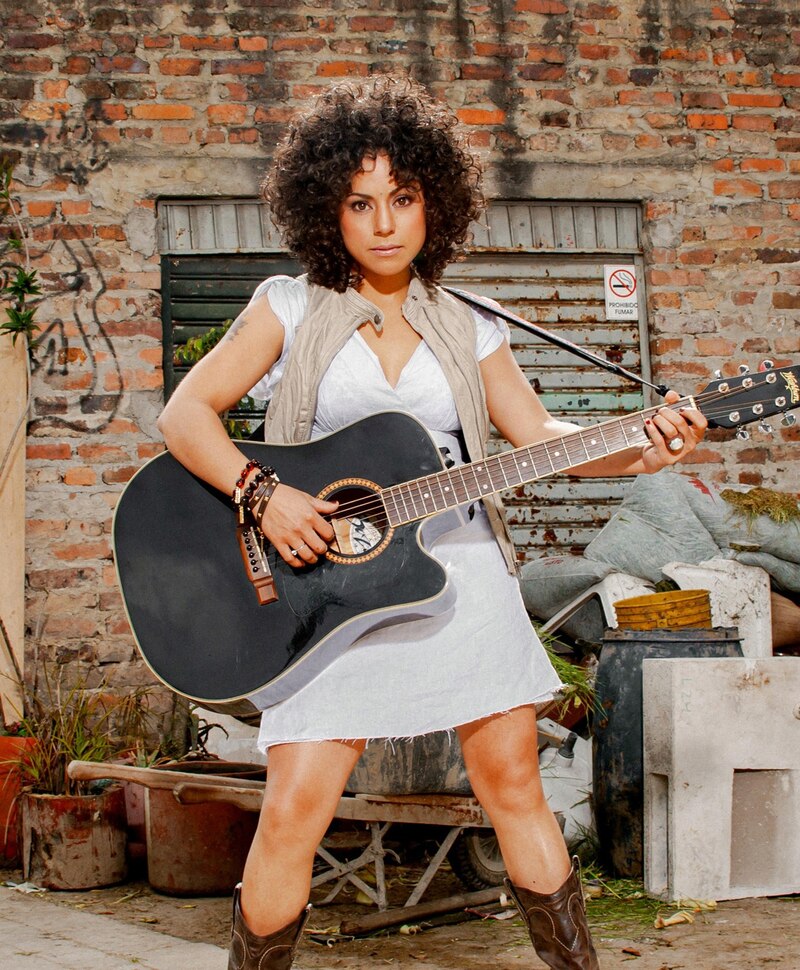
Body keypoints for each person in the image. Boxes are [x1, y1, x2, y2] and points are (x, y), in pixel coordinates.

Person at [157, 74, 707, 970]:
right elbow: (184, 418)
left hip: (456, 575)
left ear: (433, 205)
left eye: (403, 199)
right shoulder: (287, 307)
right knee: (296, 807)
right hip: (322, 590)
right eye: (360, 202)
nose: (383, 223)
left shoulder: (471, 324)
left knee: (515, 785)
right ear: (324, 211)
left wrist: (642, 448)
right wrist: (266, 494)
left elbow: (540, 438)